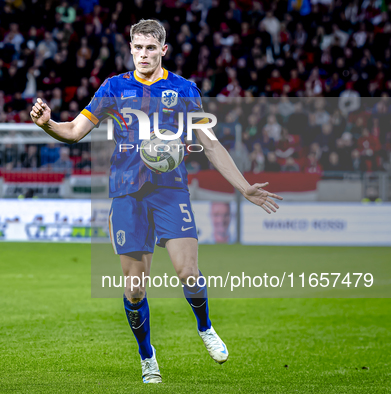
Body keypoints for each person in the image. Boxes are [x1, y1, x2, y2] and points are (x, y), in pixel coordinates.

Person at [30, 19, 283, 384]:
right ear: (130, 49)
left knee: (189, 274)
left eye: (151, 48)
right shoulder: (113, 88)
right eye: (138, 48)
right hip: (126, 194)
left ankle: (205, 327)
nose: (143, 54)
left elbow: (209, 143)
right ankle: (147, 356)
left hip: (170, 190)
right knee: (134, 288)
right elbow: (72, 131)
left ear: (163, 50)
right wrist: (47, 124)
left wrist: (244, 187)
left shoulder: (183, 89)